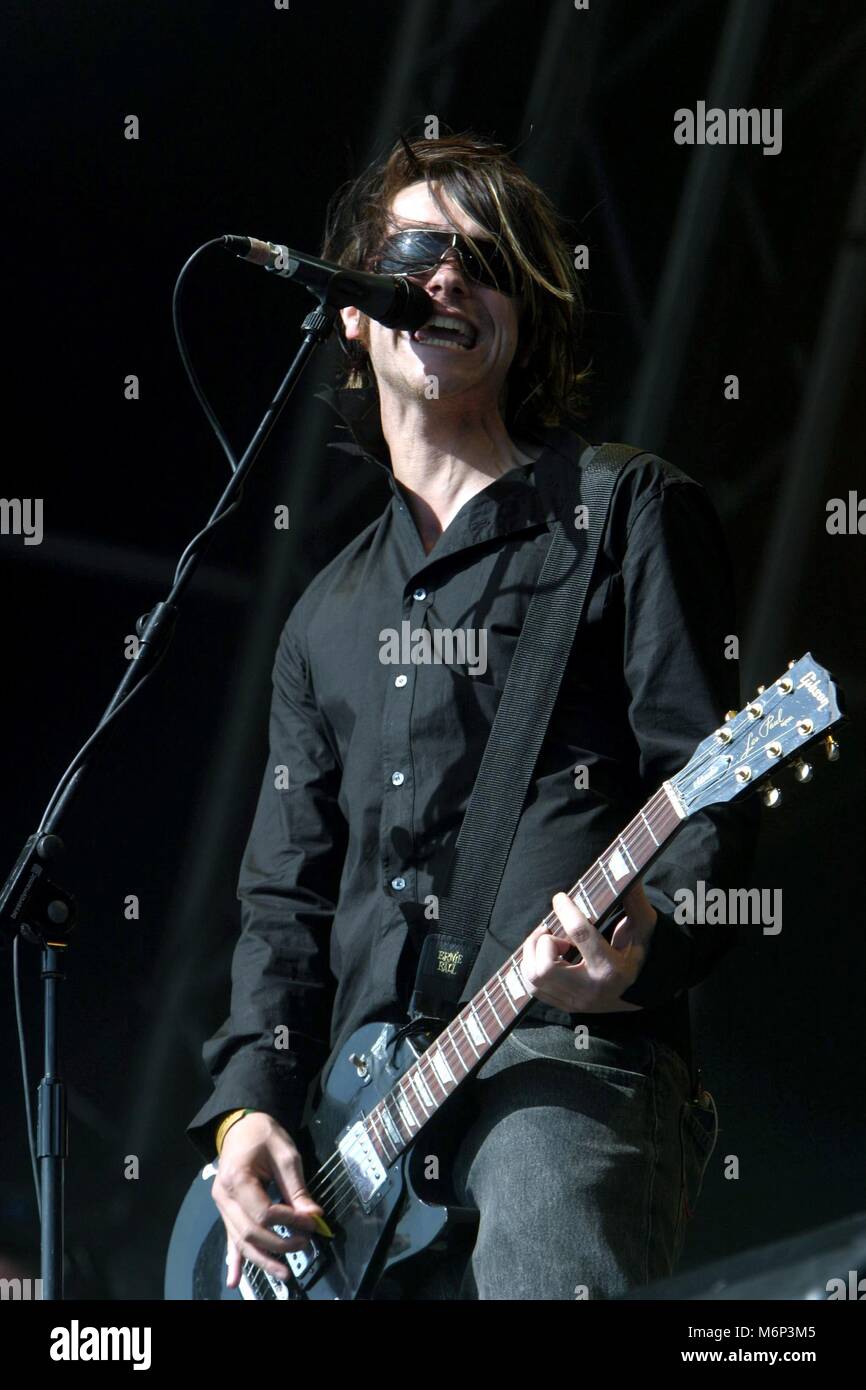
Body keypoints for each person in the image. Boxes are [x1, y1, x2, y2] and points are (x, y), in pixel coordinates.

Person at [186, 132, 760, 1300]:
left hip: (562, 1065)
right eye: (415, 251)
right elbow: (283, 902)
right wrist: (248, 1106)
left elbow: (712, 788)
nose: (447, 277)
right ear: (352, 308)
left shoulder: (622, 509)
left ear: (519, 317)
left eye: (485, 262)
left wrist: (640, 945)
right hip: (358, 1152)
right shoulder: (322, 616)